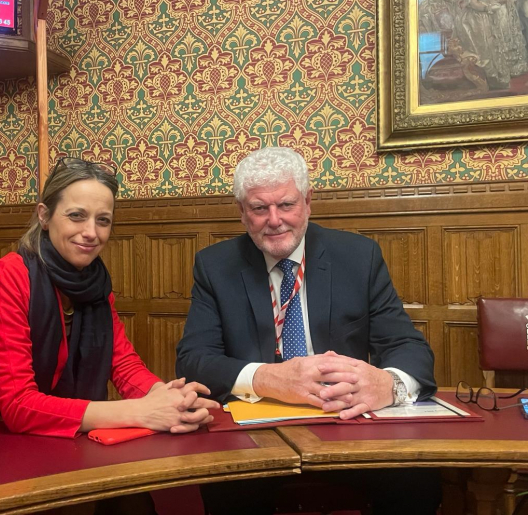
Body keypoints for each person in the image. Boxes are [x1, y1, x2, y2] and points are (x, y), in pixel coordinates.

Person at [0, 158, 218, 512]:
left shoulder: (95, 282)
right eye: (76, 216)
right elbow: (18, 405)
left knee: (135, 506)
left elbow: (124, 364)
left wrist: (169, 398)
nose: (91, 232)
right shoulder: (8, 276)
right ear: (44, 215)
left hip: (52, 435)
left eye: (103, 221)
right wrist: (142, 412)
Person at [176, 147, 440, 515]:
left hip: (346, 426)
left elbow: (407, 345)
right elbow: (194, 360)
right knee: (226, 486)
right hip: (254, 436)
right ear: (241, 212)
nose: (274, 220)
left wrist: (389, 384)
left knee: (417, 480)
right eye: (258, 208)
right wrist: (268, 378)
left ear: (308, 202)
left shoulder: (358, 256)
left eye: (286, 205)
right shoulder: (215, 266)